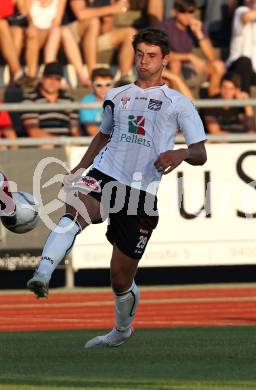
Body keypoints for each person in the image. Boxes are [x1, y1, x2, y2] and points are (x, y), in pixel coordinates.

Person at [27, 27, 207, 348]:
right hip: (105, 172)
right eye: (139, 54)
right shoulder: (116, 95)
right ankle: (43, 272)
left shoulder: (178, 103)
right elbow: (104, 135)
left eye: (151, 56)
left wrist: (179, 153)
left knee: (120, 278)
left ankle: (122, 330)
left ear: (165, 59)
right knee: (76, 209)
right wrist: (81, 167)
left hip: (140, 193)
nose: (144, 61)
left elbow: (200, 152)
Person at [160, 0, 225, 96]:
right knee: (175, 64)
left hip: (194, 69)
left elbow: (212, 57)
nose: (187, 15)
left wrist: (199, 34)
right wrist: (189, 57)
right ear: (175, 11)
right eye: (183, 11)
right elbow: (161, 55)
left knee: (219, 66)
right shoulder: (165, 27)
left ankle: (213, 106)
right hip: (173, 72)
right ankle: (179, 103)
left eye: (190, 12)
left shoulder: (197, 26)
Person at [61, 0, 136, 79]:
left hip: (93, 38)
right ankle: (93, 74)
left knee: (131, 33)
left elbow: (105, 29)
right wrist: (113, 8)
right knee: (93, 21)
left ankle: (124, 77)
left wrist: (108, 20)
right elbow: (81, 14)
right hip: (71, 36)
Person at [21, 61, 80, 138]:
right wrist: (59, 143)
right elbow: (33, 131)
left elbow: (74, 131)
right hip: (41, 146)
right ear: (42, 79)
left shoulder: (69, 100)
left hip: (67, 145)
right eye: (49, 78)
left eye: (57, 79)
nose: (53, 82)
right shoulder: (30, 99)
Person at [226, 0, 256, 94]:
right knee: (245, 61)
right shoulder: (241, 10)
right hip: (237, 68)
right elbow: (247, 16)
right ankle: (244, 101)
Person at [80, 67, 114, 136]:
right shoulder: (86, 101)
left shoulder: (121, 99)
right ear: (92, 85)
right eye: (99, 85)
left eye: (108, 85)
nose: (103, 89)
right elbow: (92, 131)